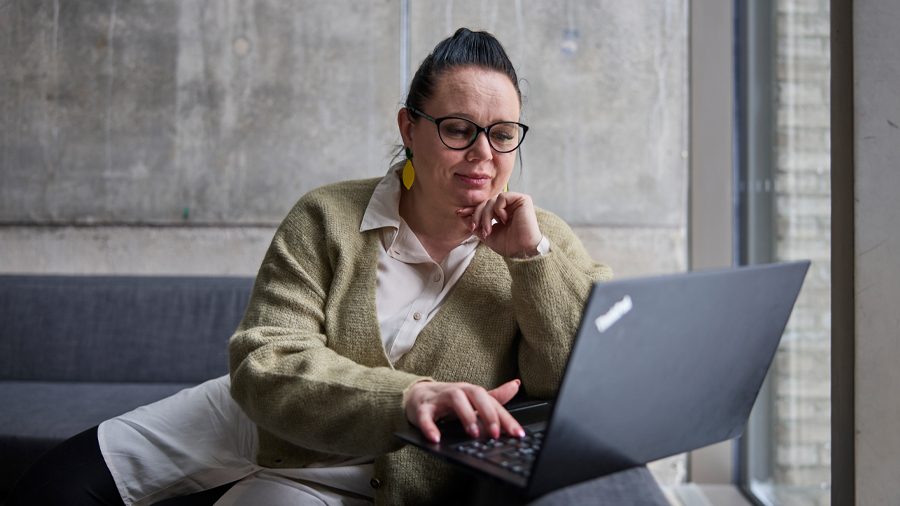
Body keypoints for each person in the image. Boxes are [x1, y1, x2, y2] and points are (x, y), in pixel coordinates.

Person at [7, 28, 610, 506]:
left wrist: (531, 262)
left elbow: (571, 384)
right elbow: (265, 362)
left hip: (365, 474)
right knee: (54, 486)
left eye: (503, 134)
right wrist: (407, 397)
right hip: (259, 417)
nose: (483, 153)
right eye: (458, 129)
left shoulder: (541, 241)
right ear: (409, 128)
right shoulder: (329, 214)